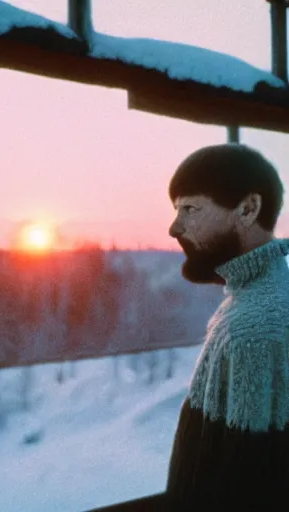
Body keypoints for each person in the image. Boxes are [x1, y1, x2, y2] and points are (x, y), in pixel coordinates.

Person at [90, 143, 289, 511]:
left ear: (247, 209)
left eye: (190, 209)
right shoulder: (255, 300)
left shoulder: (254, 326)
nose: (174, 227)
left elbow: (244, 487)